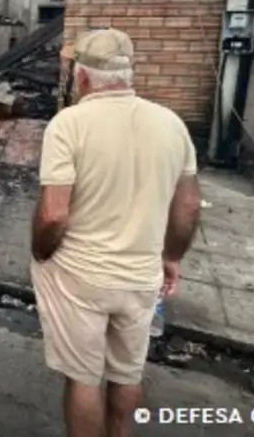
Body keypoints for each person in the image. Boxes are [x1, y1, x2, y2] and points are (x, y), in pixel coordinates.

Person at [29, 28, 202, 437]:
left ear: (82, 77)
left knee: (84, 378)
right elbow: (189, 206)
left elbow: (53, 214)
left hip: (81, 276)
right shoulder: (172, 124)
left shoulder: (68, 124)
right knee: (127, 373)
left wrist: (40, 251)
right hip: (141, 275)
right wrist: (171, 257)